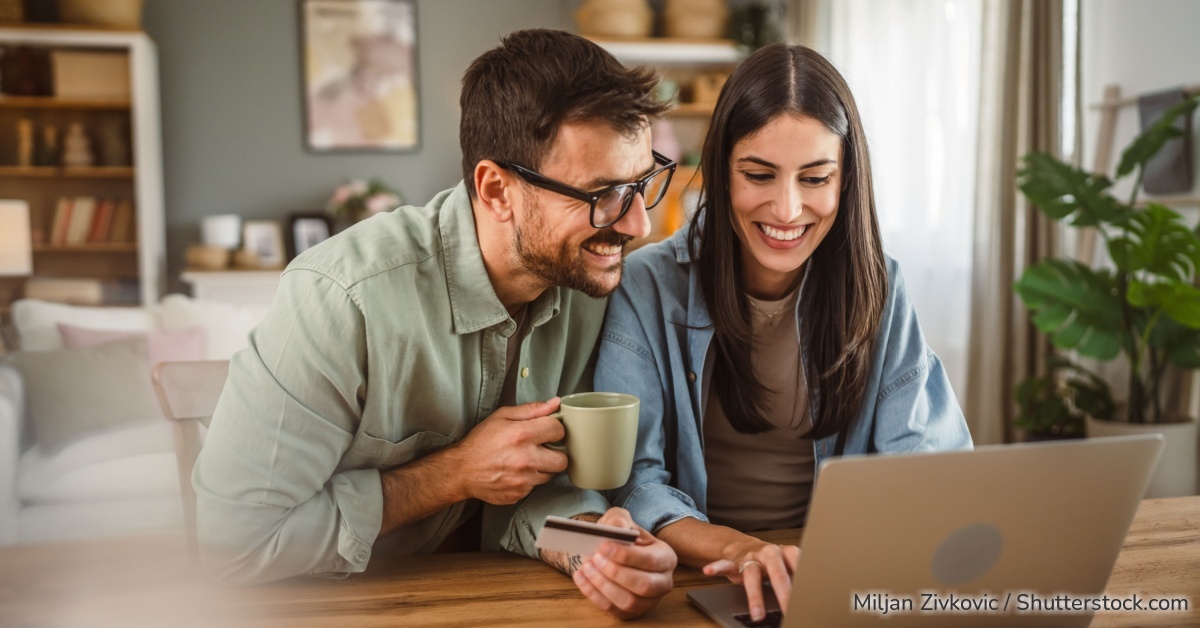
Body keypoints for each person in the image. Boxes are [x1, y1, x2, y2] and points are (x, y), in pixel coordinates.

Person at [193, 29, 678, 620]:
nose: (637, 226)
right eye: (603, 194)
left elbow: (530, 496)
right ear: (496, 189)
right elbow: (231, 542)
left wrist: (596, 551)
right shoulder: (342, 299)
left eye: (642, 184)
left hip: (496, 603)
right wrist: (453, 475)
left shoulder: (588, 284)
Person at [595, 43, 973, 623]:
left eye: (816, 177)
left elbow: (922, 467)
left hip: (830, 576)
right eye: (759, 175)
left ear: (846, 181)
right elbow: (634, 484)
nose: (788, 209)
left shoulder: (880, 286)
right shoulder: (647, 286)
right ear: (721, 171)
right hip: (700, 576)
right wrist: (742, 549)